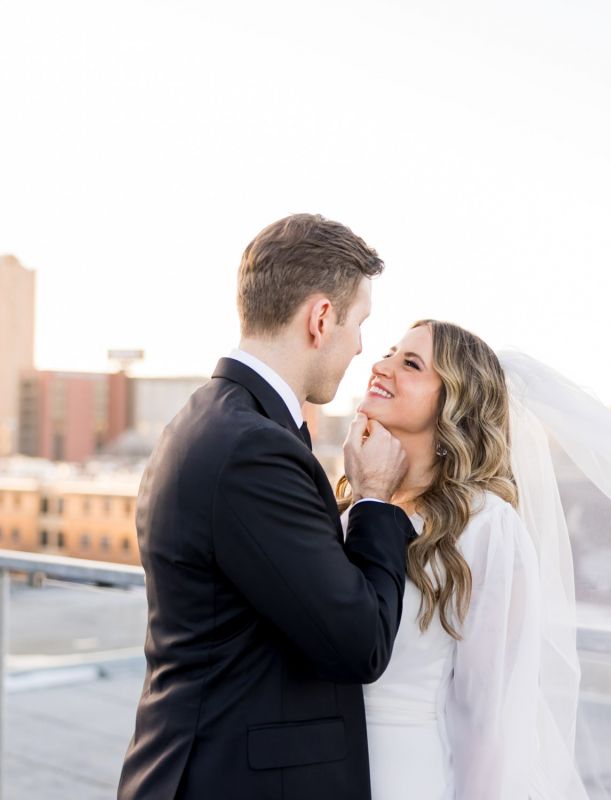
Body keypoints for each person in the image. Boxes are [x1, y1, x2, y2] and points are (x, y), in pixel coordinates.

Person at [117, 214, 418, 800]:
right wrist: (376, 499)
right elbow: (359, 642)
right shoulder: (253, 447)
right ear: (321, 317)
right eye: (360, 323)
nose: (361, 347)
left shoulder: (209, 417)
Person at [338, 320, 588, 799]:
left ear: (454, 403)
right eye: (389, 353)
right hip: (323, 768)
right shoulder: (353, 510)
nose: (380, 366)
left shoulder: (487, 527)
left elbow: (487, 716)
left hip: (405, 775)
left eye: (409, 364)